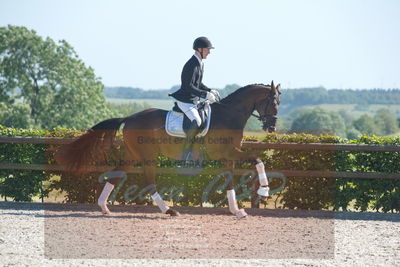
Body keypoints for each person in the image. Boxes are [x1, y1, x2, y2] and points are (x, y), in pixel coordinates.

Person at [169, 36, 220, 162]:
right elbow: (188, 86)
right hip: (185, 101)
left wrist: (209, 90)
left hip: (192, 101)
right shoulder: (191, 64)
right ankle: (186, 155)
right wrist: (204, 95)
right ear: (199, 49)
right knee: (196, 121)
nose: (209, 52)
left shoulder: (199, 63)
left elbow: (198, 84)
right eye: (207, 49)